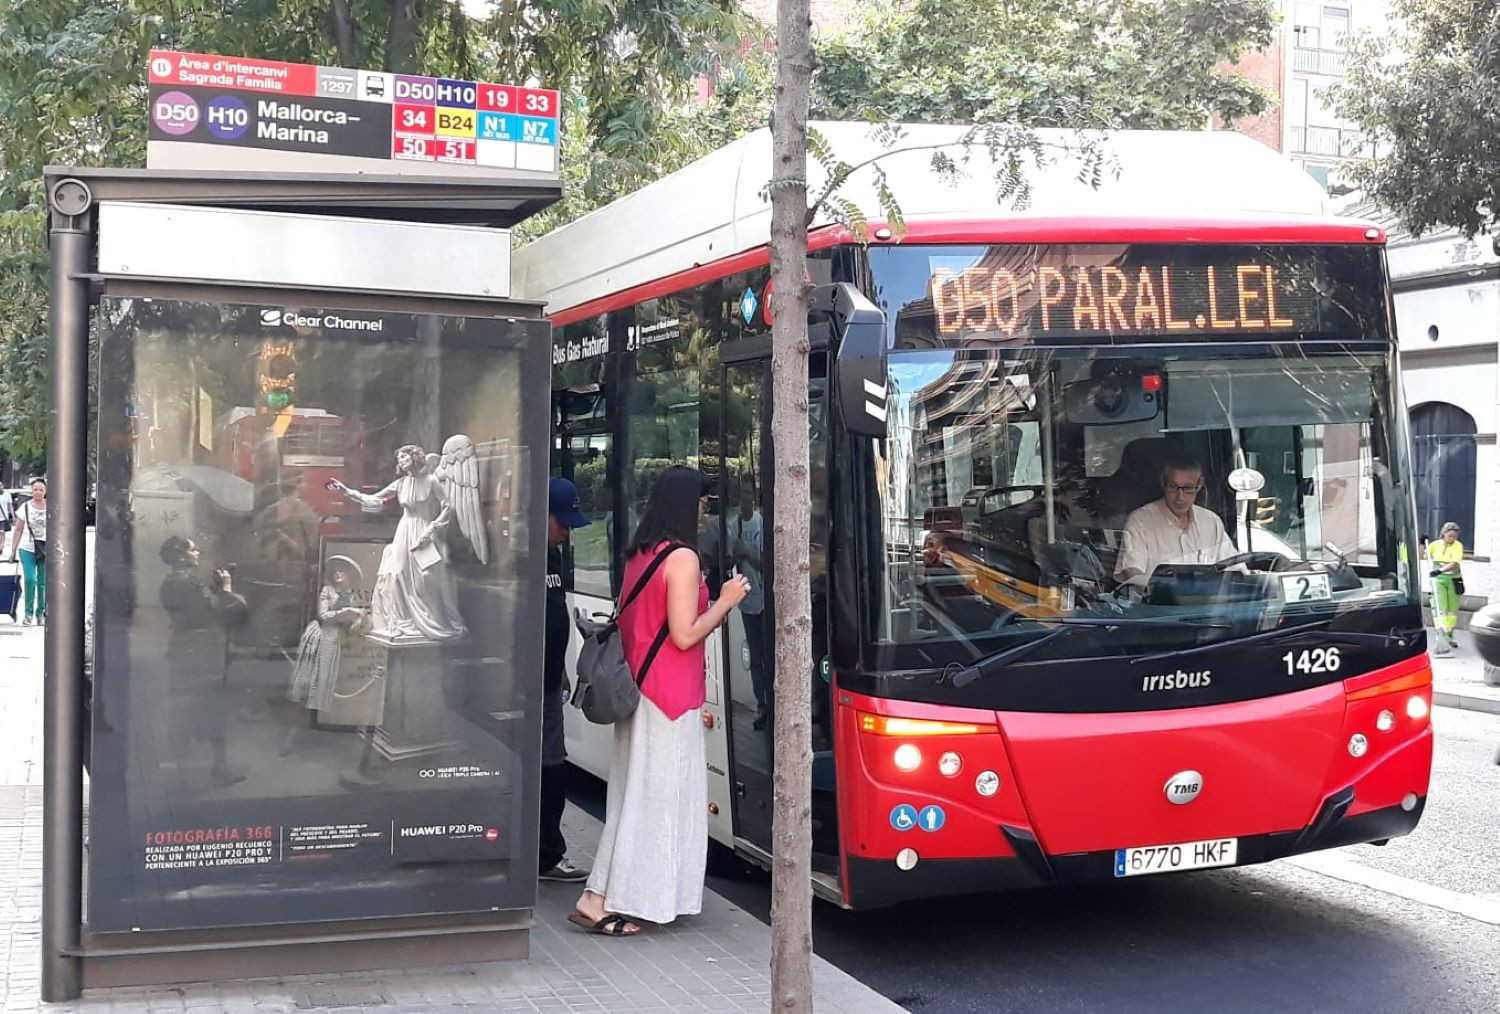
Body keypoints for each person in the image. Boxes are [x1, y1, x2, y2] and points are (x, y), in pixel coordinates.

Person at [570, 466, 750, 937]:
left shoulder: (640, 554)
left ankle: (605, 895)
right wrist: (726, 600)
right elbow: (686, 634)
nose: (705, 510)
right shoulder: (683, 559)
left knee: (634, 796)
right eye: (702, 502)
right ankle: (614, 898)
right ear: (684, 504)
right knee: (661, 800)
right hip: (669, 698)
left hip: (639, 693)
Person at [329, 445, 465, 643]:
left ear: (415, 457)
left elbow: (448, 507)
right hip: (404, 531)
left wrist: (432, 528)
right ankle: (403, 620)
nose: (400, 461)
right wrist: (347, 491)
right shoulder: (401, 483)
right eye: (399, 458)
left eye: (404, 456)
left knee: (425, 576)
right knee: (398, 572)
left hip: (423, 531)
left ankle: (431, 619)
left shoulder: (432, 481)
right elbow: (375, 498)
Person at [159, 536, 248, 787]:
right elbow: (217, 613)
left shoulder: (175, 582)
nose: (197, 552)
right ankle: (205, 771)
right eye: (191, 548)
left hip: (187, 651)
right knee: (207, 712)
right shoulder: (186, 583)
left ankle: (186, 773)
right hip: (200, 654)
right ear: (180, 556)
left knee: (190, 713)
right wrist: (226, 589)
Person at [539, 477, 591, 883]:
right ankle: (543, 855)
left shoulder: (554, 558)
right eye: (563, 522)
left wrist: (563, 668)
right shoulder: (518, 558)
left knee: (554, 767)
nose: (568, 532)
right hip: (523, 689)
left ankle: (547, 853)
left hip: (548, 683)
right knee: (543, 769)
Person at [1113, 453, 1237, 588]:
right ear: (1163, 482)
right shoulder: (1140, 522)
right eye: (1173, 487)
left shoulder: (1211, 522)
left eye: (1188, 488)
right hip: (1156, 606)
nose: (1180, 497)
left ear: (1200, 484)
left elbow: (1234, 568)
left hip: (1207, 606)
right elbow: (1133, 573)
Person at [288, 555, 370, 715]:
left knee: (329, 673)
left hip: (337, 636)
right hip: (321, 633)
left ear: (350, 574)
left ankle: (324, 709)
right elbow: (323, 615)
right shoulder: (327, 590)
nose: (338, 573)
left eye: (343, 571)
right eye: (336, 570)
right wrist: (347, 611)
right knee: (315, 670)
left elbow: (351, 620)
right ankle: (310, 709)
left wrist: (359, 619)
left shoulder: (352, 595)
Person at [728, 481, 769, 730]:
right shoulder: (734, 527)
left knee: (768, 655)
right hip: (747, 603)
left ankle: (774, 705)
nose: (745, 500)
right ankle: (761, 706)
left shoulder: (763, 524)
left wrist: (747, 553)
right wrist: (735, 554)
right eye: (741, 495)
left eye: (748, 495)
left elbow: (769, 564)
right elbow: (728, 561)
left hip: (766, 601)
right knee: (755, 658)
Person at [8, 478, 47, 625]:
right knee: (30, 580)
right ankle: (28, 613)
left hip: (46, 548)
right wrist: (13, 550)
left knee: (43, 583)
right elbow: (18, 529)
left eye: (41, 489)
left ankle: (41, 614)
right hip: (27, 548)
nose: (38, 492)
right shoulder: (24, 507)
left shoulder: (52, 507)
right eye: (35, 489)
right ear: (31, 491)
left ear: (46, 492)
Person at [1428, 522, 1464, 655]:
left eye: (1454, 536)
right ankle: (1440, 633)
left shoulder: (1457, 546)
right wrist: (1421, 544)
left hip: (1453, 579)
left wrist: (1440, 570)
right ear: (1444, 533)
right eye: (1450, 535)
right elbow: (1424, 555)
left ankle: (1450, 634)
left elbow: (1454, 564)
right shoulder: (1435, 545)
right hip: (1439, 581)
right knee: (1440, 607)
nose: (1452, 538)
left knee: (1452, 609)